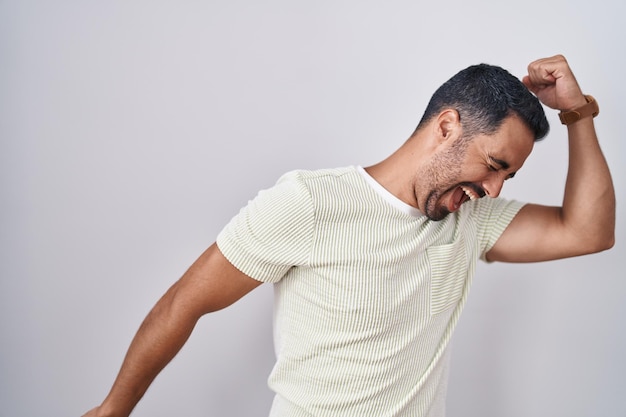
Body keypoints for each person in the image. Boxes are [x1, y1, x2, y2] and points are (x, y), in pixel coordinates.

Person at [82, 55, 615, 417]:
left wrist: (577, 113)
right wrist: (113, 410)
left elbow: (587, 232)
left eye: (508, 177)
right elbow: (183, 303)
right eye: (494, 164)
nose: (495, 190)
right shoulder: (311, 204)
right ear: (447, 128)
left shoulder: (469, 218)